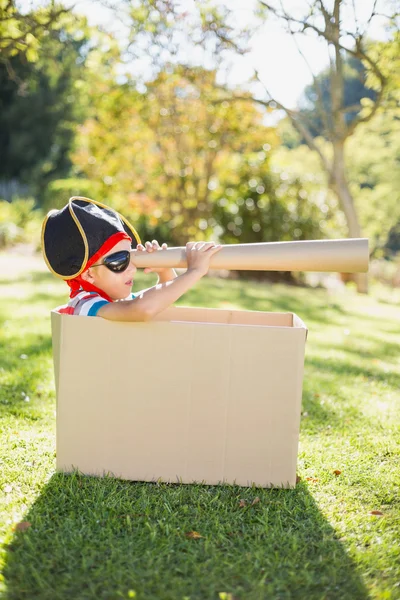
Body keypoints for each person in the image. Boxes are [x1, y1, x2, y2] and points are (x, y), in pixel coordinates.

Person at [41, 196, 222, 320]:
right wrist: (195, 271)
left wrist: (165, 270)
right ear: (88, 274)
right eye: (120, 261)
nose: (133, 268)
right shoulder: (86, 305)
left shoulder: (115, 301)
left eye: (132, 257)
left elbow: (160, 302)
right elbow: (143, 309)